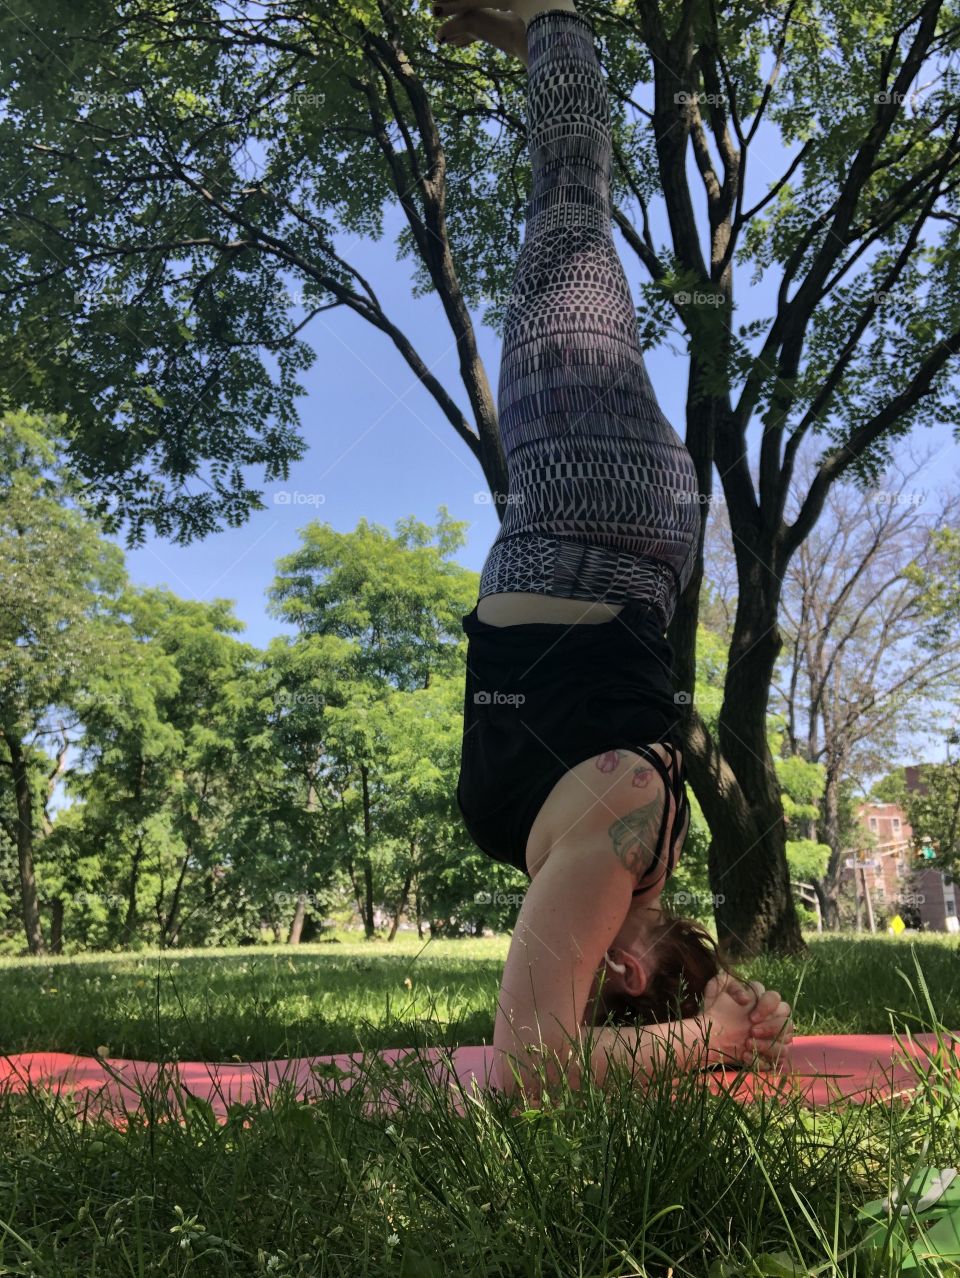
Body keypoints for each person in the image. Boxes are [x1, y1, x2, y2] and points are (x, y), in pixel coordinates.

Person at [438, 0, 794, 1099]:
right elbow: (516, 1071)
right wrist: (713, 1044)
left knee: (567, 230)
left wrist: (727, 1007)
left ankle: (542, 45)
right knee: (567, 218)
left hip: (618, 546)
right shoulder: (610, 846)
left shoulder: (617, 845)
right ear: (627, 971)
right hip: (585, 508)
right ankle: (559, 21)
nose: (564, 957)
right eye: (598, 969)